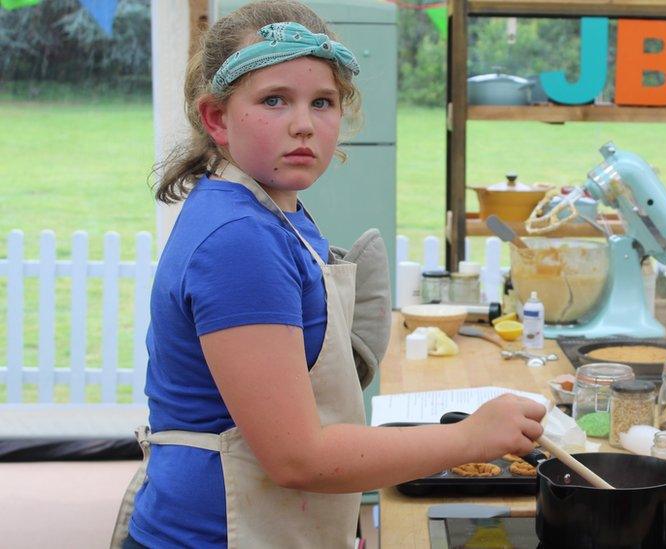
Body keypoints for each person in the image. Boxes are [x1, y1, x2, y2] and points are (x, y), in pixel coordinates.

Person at [110, 2, 546, 547]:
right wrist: (470, 437)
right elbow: (298, 459)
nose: (303, 124)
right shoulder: (238, 239)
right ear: (217, 118)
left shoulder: (273, 207)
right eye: (274, 100)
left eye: (323, 102)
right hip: (214, 534)